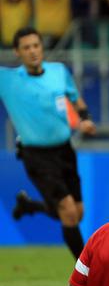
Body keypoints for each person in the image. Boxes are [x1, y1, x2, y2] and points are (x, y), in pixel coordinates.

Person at [0, 27, 96, 260]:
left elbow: (76, 99)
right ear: (17, 52)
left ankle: (30, 206)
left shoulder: (58, 72)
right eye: (26, 47)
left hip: (65, 150)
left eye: (36, 45)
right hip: (36, 154)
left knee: (78, 213)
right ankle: (88, 273)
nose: (32, 51)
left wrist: (85, 120)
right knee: (68, 211)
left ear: (42, 47)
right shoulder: (8, 80)